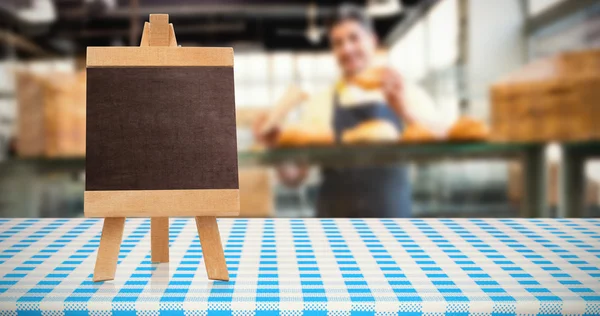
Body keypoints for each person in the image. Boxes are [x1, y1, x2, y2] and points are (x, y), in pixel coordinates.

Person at [254, 5, 436, 218]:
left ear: (373, 40)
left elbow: (440, 138)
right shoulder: (320, 102)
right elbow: (294, 178)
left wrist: (405, 110)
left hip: (392, 226)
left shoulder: (405, 92)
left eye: (354, 38)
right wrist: (276, 147)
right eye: (338, 43)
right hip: (334, 229)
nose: (347, 49)